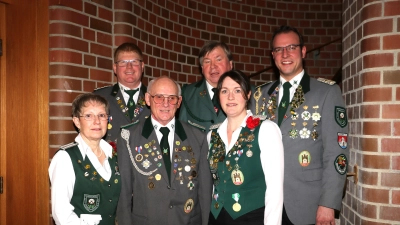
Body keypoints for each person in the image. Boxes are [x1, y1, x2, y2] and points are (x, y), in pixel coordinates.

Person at [251, 25, 349, 224]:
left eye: (291, 47)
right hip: (264, 203)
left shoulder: (326, 92)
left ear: (303, 51)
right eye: (278, 49)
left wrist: (329, 203)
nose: (285, 54)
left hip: (307, 203)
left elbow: (336, 152)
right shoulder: (259, 96)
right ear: (273, 55)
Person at [117, 76, 212, 225]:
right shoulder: (129, 137)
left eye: (172, 98)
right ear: (148, 99)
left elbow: (205, 191)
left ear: (179, 102)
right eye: (159, 97)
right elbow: (124, 193)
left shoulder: (198, 137)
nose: (165, 103)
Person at [208, 70, 284, 225]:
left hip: (252, 218)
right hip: (216, 218)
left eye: (237, 90)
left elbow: (275, 190)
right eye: (224, 91)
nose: (230, 97)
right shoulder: (212, 135)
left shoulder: (266, 129)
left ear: (248, 94)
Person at [49, 93, 121, 225]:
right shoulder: (65, 158)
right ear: (77, 121)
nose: (96, 121)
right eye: (88, 116)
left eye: (101, 115)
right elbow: (61, 214)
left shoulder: (114, 155)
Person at [94, 42, 150, 144]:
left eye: (134, 62)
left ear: (142, 66)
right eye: (123, 62)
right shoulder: (99, 97)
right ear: (115, 68)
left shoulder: (155, 98)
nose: (129, 67)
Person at [179, 41, 233, 132]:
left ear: (230, 65)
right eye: (207, 62)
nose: (213, 66)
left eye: (218, 59)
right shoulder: (187, 94)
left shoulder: (247, 93)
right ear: (202, 68)